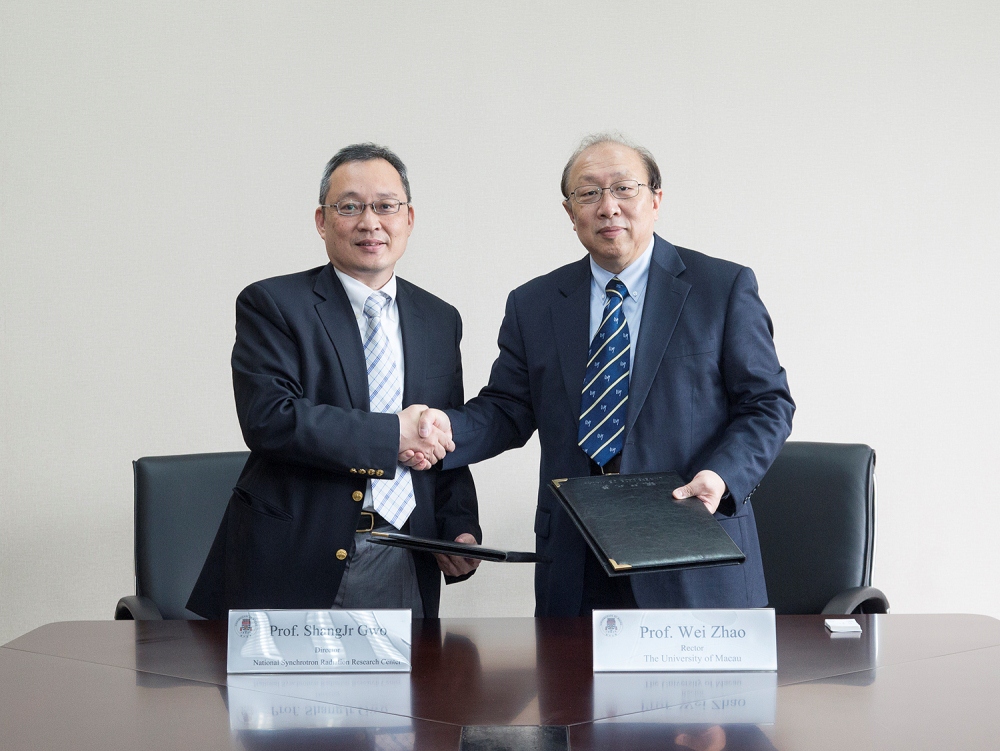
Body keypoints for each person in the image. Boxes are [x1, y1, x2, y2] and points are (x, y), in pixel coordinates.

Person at [406, 134, 794, 616]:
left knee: (699, 695)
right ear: (570, 213)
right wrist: (444, 430)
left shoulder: (722, 287)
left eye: (624, 189)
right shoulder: (535, 303)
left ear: (655, 199)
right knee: (570, 692)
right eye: (588, 194)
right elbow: (507, 409)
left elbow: (768, 405)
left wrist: (721, 477)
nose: (607, 207)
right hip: (574, 559)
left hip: (691, 548)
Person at [187, 143, 480, 620]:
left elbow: (439, 433)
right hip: (294, 558)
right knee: (289, 698)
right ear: (322, 221)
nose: (371, 222)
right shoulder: (273, 303)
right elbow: (271, 419)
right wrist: (392, 434)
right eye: (350, 207)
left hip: (407, 554)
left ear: (409, 218)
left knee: (412, 696)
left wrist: (459, 525)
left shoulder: (439, 318)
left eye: (386, 206)